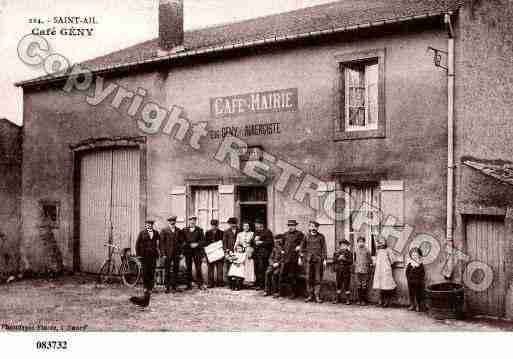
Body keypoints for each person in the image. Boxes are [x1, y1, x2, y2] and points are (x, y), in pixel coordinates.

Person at [130, 220, 160, 307]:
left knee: (152, 272)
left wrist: (158, 253)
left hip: (153, 256)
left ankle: (150, 288)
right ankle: (145, 288)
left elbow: (158, 244)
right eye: (147, 224)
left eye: (150, 224)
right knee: (145, 272)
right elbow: (137, 244)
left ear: (152, 225)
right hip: (144, 256)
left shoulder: (156, 233)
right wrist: (139, 255)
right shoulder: (142, 233)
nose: (149, 226)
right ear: (145, 225)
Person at [300, 221, 327, 303]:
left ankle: (317, 296)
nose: (313, 228)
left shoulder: (321, 237)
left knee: (318, 278)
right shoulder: (306, 236)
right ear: (309, 227)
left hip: (318, 261)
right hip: (308, 261)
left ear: (317, 228)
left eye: (315, 226)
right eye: (311, 226)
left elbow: (324, 248)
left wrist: (324, 260)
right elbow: (302, 247)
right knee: (308, 278)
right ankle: (310, 295)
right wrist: (301, 257)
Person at [279, 219, 304, 299]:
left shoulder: (300, 234)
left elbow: (304, 244)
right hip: (286, 258)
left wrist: (299, 247)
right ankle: (282, 293)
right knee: (283, 275)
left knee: (293, 276)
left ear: (295, 226)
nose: (291, 227)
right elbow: (282, 244)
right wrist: (282, 250)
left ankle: (293, 293)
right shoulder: (285, 234)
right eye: (289, 225)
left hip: (294, 258)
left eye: (292, 225)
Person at [159, 216, 184, 293]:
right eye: (171, 221)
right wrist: (163, 254)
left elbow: (181, 243)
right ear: (168, 222)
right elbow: (161, 243)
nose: (172, 223)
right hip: (167, 254)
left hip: (176, 254)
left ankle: (174, 286)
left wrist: (181, 253)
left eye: (173, 221)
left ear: (175, 222)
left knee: (176, 270)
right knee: (167, 270)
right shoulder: (164, 230)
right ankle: (167, 287)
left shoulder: (178, 230)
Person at [183, 216, 206, 290]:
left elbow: (203, 241)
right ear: (188, 221)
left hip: (197, 252)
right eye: (191, 220)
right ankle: (188, 284)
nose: (192, 222)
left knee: (198, 268)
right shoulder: (184, 230)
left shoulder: (200, 230)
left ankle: (200, 284)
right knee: (188, 268)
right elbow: (182, 241)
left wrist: (197, 244)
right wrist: (188, 244)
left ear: (195, 222)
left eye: (194, 221)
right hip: (188, 252)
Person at [372, 240, 397, 307]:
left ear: (385, 242)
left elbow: (393, 260)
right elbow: (375, 260)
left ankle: (387, 301)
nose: (381, 243)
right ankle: (380, 300)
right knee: (380, 285)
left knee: (386, 285)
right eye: (379, 242)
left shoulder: (388, 250)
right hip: (379, 270)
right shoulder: (378, 251)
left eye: (382, 242)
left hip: (386, 270)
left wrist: (387, 265)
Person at [253, 220, 274, 291]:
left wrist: (261, 242)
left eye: (257, 225)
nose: (256, 226)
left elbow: (270, 242)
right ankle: (258, 284)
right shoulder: (256, 232)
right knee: (257, 270)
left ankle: (264, 285)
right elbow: (252, 241)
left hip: (264, 254)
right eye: (255, 225)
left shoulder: (268, 232)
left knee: (262, 269)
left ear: (261, 225)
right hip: (256, 254)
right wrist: (254, 241)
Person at [234, 222, 255, 287]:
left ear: (249, 227)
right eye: (245, 226)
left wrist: (252, 251)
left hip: (249, 251)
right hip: (242, 252)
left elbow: (254, 243)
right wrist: (235, 251)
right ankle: (242, 282)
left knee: (249, 267)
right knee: (242, 267)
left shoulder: (252, 233)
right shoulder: (239, 234)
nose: (246, 227)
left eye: (247, 226)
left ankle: (249, 282)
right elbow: (237, 242)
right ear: (242, 227)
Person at [332, 239, 353, 305]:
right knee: (338, 284)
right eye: (342, 245)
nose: (343, 247)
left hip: (346, 271)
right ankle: (338, 298)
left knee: (347, 285)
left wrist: (344, 259)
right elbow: (334, 261)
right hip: (339, 271)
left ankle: (348, 299)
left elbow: (351, 261)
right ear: (340, 246)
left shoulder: (349, 253)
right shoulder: (336, 252)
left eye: (345, 245)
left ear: (347, 246)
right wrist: (338, 258)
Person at [205, 219, 224, 288]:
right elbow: (205, 243)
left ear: (217, 225)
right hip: (210, 253)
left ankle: (220, 282)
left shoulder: (222, 233)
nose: (214, 227)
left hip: (219, 253)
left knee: (220, 269)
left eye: (215, 225)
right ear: (211, 225)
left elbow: (223, 242)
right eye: (213, 225)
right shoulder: (207, 233)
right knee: (210, 269)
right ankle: (210, 283)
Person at [406, 247, 425, 312]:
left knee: (418, 294)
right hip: (410, 282)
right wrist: (408, 278)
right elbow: (407, 271)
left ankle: (418, 305)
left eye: (416, 255)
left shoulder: (420, 264)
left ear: (419, 255)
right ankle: (412, 305)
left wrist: (419, 279)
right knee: (411, 293)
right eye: (413, 255)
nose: (414, 257)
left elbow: (422, 273)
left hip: (417, 282)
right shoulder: (410, 263)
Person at [354, 236, 372, 306]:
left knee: (364, 285)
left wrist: (369, 266)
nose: (361, 243)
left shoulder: (367, 250)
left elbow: (370, 260)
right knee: (358, 285)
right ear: (357, 243)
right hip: (358, 270)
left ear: (364, 242)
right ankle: (359, 299)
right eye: (359, 242)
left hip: (365, 270)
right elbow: (354, 260)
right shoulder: (356, 250)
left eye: (362, 242)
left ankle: (364, 300)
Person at [222, 217, 239, 286]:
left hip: (238, 251)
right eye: (231, 224)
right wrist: (226, 250)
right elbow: (224, 242)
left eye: (234, 224)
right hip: (229, 252)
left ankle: (237, 284)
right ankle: (230, 283)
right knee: (229, 267)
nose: (232, 225)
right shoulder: (226, 231)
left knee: (237, 267)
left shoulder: (240, 230)